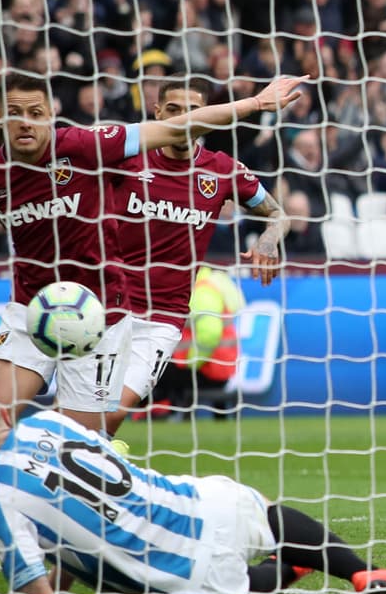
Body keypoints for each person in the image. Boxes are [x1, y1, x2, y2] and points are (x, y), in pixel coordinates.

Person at [0, 72, 304, 434]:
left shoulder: (95, 149)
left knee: (83, 438)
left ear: (52, 115)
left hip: (113, 313)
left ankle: (81, 467)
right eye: (15, 113)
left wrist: (255, 105)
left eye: (35, 113)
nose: (26, 122)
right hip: (34, 308)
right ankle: (13, 512)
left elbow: (270, 208)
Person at [0, 382, 386, 594]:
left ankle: (288, 570)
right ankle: (358, 570)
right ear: (6, 416)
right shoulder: (50, 421)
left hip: (185, 577)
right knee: (266, 514)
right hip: (204, 503)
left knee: (224, 584)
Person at [104, 78, 290, 437]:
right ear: (158, 113)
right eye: (174, 110)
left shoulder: (221, 169)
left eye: (193, 111)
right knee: (83, 409)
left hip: (163, 318)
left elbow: (278, 214)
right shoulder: (128, 157)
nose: (184, 118)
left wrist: (268, 241)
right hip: (109, 305)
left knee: (112, 413)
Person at [147, 266, 245, 421]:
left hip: (208, 369)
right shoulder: (206, 287)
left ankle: (160, 411)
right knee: (162, 369)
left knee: (155, 370)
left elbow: (209, 334)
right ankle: (164, 410)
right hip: (218, 368)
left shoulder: (203, 292)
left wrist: (191, 362)